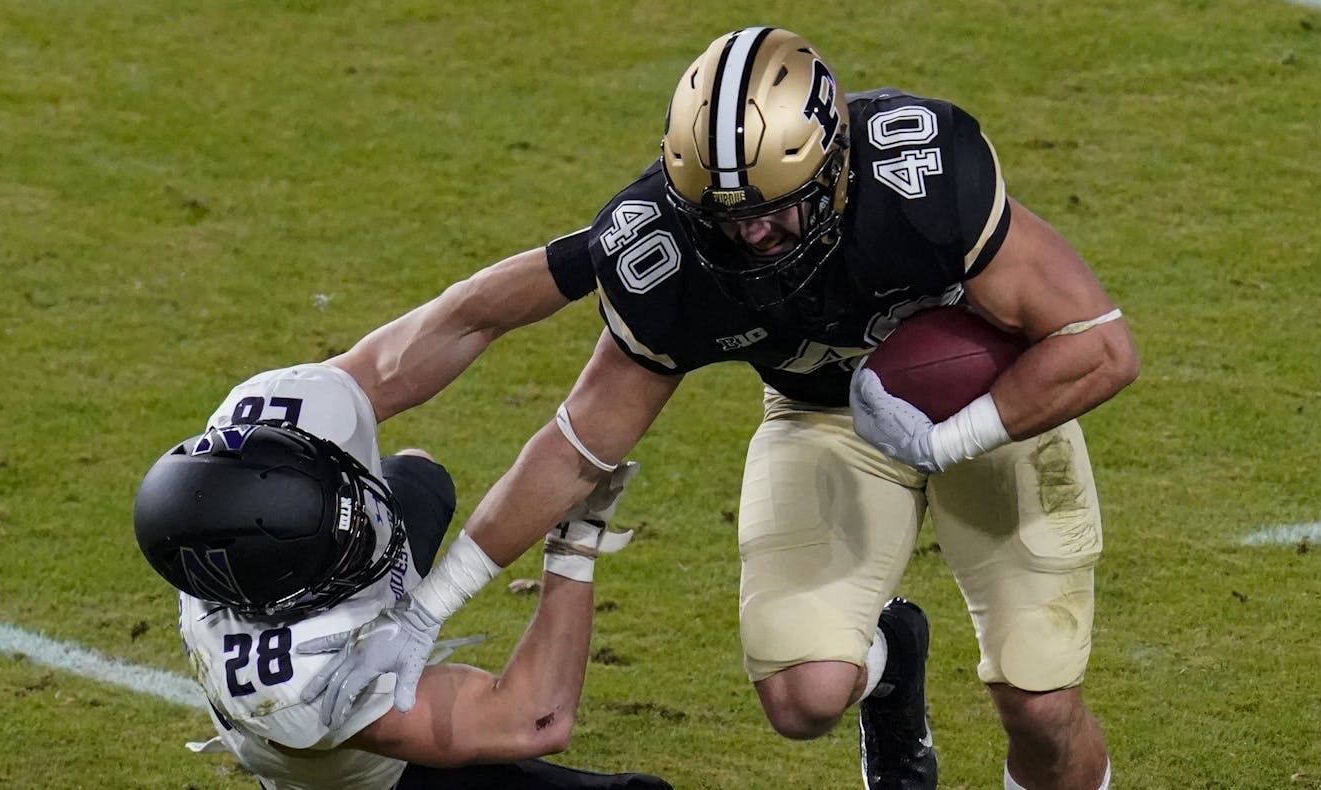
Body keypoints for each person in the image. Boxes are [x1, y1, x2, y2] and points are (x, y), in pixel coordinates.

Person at [305, 26, 1139, 790]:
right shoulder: (667, 251)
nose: (752, 239)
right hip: (820, 414)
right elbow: (574, 447)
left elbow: (1098, 345)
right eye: (728, 219)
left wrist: (952, 435)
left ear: (836, 167)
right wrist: (426, 611)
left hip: (991, 408)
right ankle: (891, 669)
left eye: (776, 213)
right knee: (802, 695)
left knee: (1039, 706)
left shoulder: (919, 177)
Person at [132, 356, 671, 789]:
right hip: (370, 776)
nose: (370, 524)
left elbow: (454, 321)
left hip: (306, 641)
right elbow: (538, 719)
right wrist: (574, 543)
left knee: (419, 472)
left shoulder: (214, 535)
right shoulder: (302, 679)